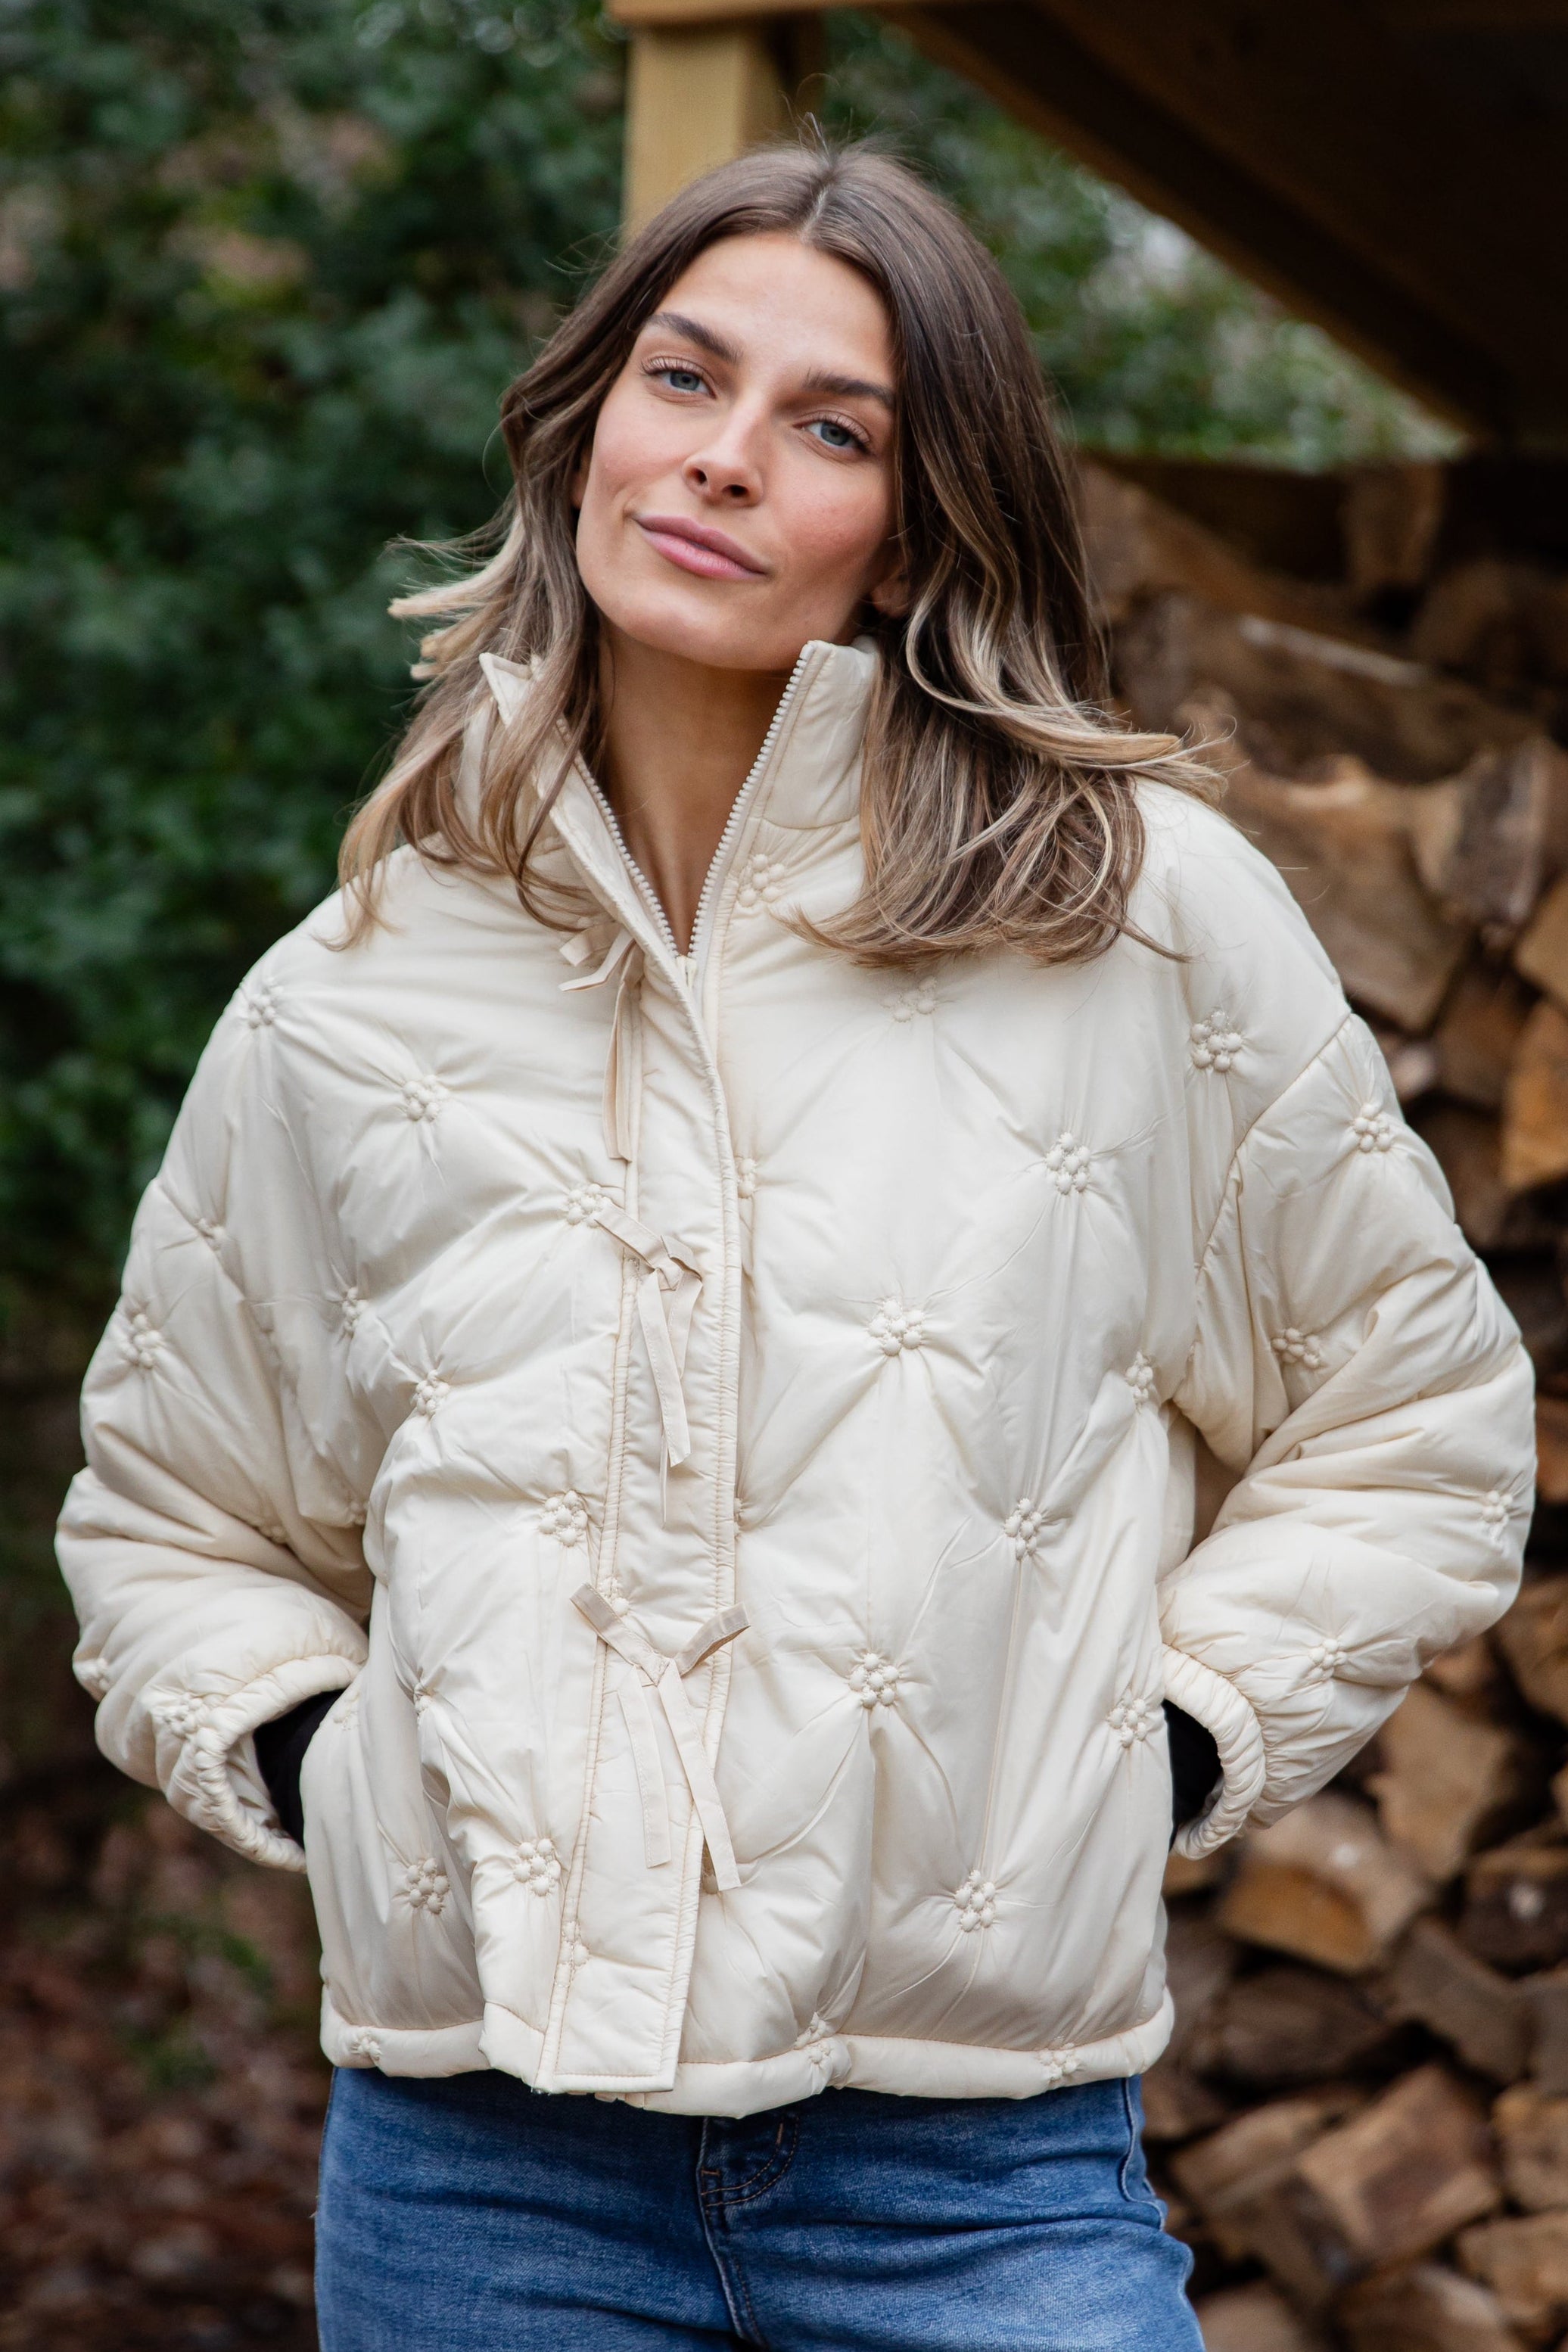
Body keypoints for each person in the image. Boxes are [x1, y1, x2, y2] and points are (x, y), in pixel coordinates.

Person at [58, 141, 1533, 2350]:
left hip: (985, 2181)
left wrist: (1170, 1744)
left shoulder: (1133, 918)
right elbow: (176, 1512)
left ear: (919, 528)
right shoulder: (349, 992)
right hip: (482, 2185)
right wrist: (327, 1771)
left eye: (832, 426)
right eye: (684, 377)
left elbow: (1415, 1421)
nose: (727, 460)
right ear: (587, 423)